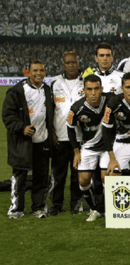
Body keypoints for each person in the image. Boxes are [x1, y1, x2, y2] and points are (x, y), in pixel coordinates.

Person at [3, 61, 54, 219]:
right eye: (35, 70)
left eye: (41, 70)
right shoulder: (17, 91)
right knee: (20, 177)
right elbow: (8, 116)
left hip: (42, 141)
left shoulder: (47, 90)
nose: (38, 73)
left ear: (45, 72)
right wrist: (22, 128)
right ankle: (16, 209)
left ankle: (38, 207)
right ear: (28, 72)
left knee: (41, 177)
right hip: (22, 142)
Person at [67, 74, 114, 222]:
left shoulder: (111, 100)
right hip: (88, 147)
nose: (93, 93)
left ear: (102, 89)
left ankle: (109, 210)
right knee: (84, 180)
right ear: (84, 90)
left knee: (107, 178)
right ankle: (94, 209)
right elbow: (70, 128)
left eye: (96, 89)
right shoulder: (76, 108)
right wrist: (76, 152)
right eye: (89, 89)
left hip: (108, 148)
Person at [49, 51, 84, 216]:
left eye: (73, 62)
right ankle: (56, 204)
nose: (70, 65)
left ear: (78, 63)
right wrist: (52, 131)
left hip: (80, 137)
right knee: (58, 174)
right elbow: (49, 110)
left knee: (78, 174)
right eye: (67, 63)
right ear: (63, 64)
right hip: (60, 136)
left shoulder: (85, 81)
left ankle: (76, 204)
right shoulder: (54, 82)